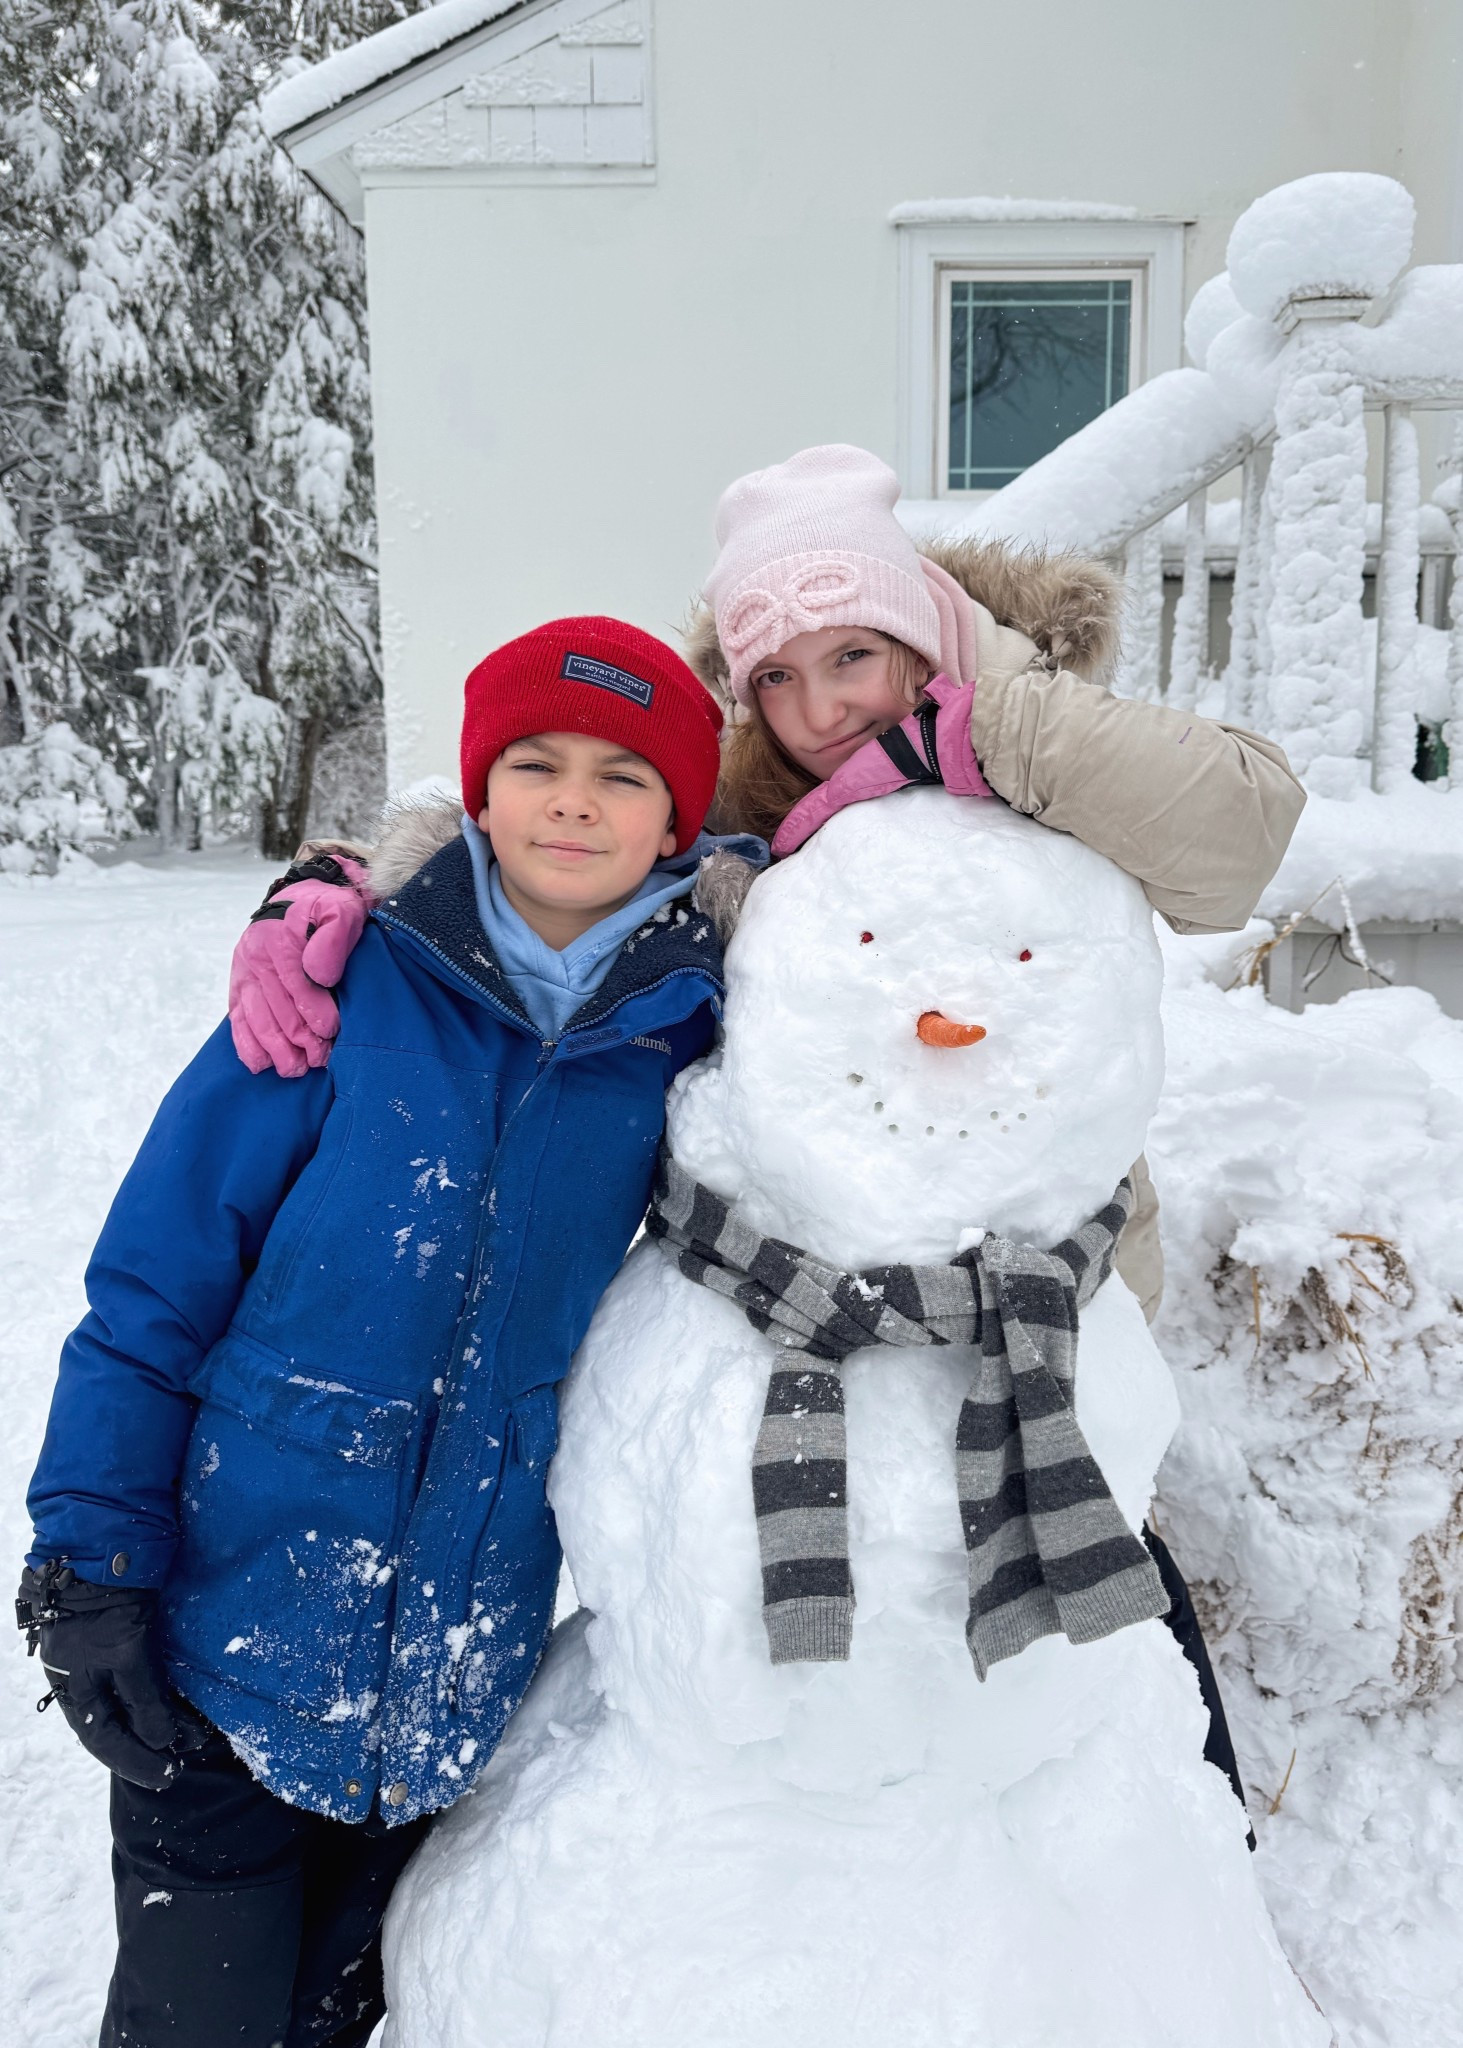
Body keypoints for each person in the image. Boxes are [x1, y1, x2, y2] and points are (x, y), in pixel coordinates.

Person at [226, 444, 1304, 1830]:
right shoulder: (748, 784)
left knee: (1100, 1642)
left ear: (916, 624)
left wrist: (984, 737)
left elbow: (1239, 839)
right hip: (809, 1307)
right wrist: (362, 890)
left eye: (854, 655)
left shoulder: (1050, 733)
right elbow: (575, 849)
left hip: (1043, 1308)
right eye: (774, 677)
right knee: (798, 1676)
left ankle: (1181, 1893)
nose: (818, 712)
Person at [18, 616, 744, 2048]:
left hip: (452, 1691)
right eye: (534, 763)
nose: (573, 801)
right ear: (478, 793)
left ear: (680, 825)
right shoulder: (332, 989)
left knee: (359, 2020)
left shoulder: (692, 1037)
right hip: (225, 1650)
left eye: (624, 775)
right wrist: (90, 1559)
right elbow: (157, 1281)